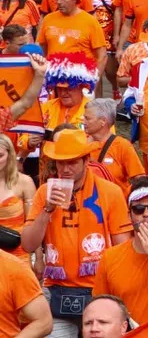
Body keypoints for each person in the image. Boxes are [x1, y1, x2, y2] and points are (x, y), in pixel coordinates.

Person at [22, 127, 131, 333]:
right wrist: (47, 210)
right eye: (61, 162)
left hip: (99, 290)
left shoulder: (110, 192)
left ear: (86, 160)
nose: (65, 169)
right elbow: (28, 244)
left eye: (72, 162)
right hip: (56, 288)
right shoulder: (44, 192)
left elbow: (123, 249)